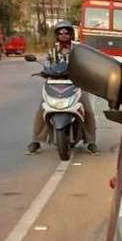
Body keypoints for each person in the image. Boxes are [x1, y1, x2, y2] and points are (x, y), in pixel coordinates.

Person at [26, 20, 98, 155]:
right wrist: (44, 72)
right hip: (55, 83)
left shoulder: (78, 49)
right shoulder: (52, 51)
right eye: (60, 33)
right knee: (42, 108)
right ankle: (36, 141)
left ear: (71, 34)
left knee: (87, 109)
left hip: (76, 84)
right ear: (57, 35)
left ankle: (91, 142)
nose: (63, 35)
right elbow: (47, 65)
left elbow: (86, 64)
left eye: (66, 32)